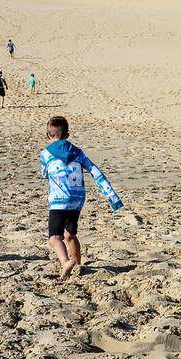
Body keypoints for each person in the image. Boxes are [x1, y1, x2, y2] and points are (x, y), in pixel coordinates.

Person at [40, 116, 124, 281]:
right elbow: (95, 171)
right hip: (77, 199)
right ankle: (77, 265)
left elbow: (44, 174)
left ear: (48, 135)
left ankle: (65, 262)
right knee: (70, 234)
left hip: (58, 199)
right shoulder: (78, 152)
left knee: (55, 237)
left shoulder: (46, 153)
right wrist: (112, 197)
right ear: (68, 134)